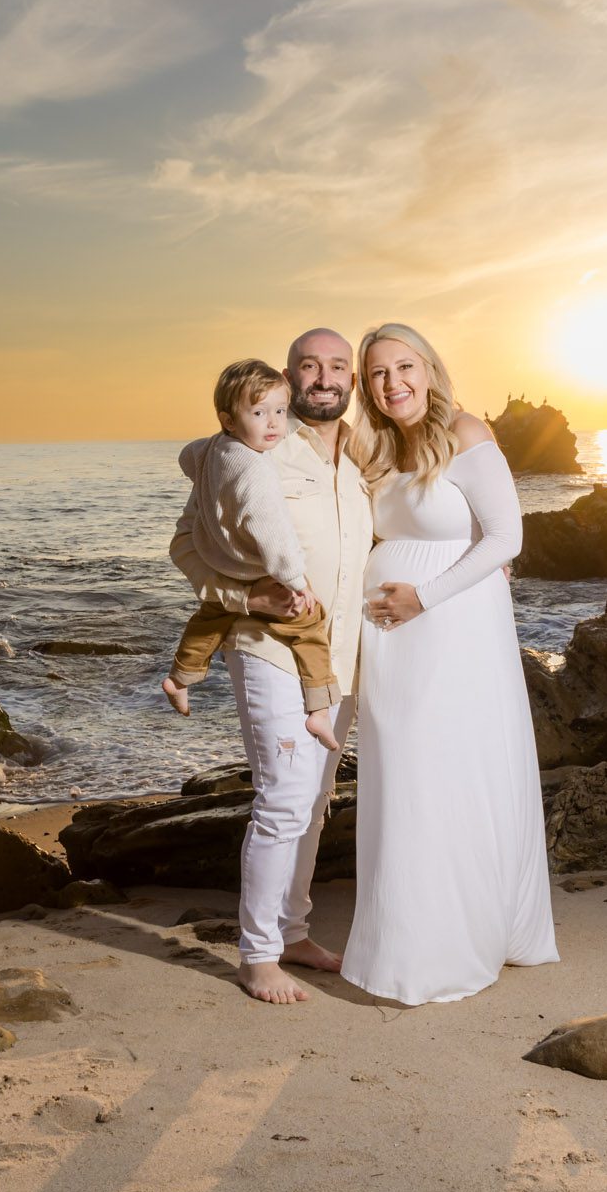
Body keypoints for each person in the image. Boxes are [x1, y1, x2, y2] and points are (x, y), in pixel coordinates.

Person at [342, 322, 558, 1005]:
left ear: (429, 370)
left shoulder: (466, 433)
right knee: (403, 775)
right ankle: (409, 931)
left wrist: (423, 597)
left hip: (450, 626)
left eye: (404, 366)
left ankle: (446, 944)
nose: (393, 382)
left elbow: (506, 537)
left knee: (448, 769)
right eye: (378, 373)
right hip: (393, 640)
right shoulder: (376, 447)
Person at [169, 328, 372, 1004]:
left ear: (352, 380)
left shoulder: (363, 458)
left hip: (337, 658)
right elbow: (185, 546)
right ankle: (256, 955)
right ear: (289, 376)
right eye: (309, 365)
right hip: (268, 649)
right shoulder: (251, 453)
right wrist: (247, 597)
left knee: (313, 803)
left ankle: (293, 933)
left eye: (337, 366)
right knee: (283, 797)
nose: (324, 377)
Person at [163, 358, 341, 750]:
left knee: (211, 618)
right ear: (228, 420)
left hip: (219, 561)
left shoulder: (212, 447)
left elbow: (187, 457)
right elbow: (275, 537)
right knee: (310, 627)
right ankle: (319, 710)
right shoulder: (256, 471)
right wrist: (297, 583)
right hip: (254, 569)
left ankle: (180, 678)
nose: (274, 424)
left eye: (280, 411)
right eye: (259, 413)